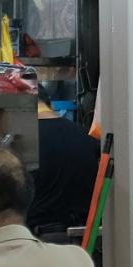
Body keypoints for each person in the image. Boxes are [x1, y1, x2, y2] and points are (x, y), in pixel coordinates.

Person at [26, 89, 102, 239]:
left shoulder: (21, 143)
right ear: (49, 104)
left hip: (37, 242)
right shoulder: (86, 138)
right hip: (85, 241)